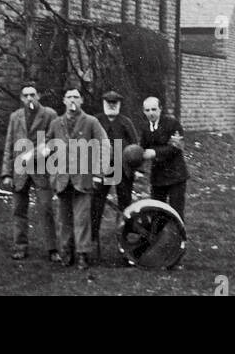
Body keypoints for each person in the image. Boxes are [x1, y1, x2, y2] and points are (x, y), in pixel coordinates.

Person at [46, 88, 108, 270]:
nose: (72, 100)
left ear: (81, 101)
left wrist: (98, 173)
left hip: (83, 179)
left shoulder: (91, 122)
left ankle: (82, 255)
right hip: (62, 179)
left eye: (76, 97)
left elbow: (104, 146)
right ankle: (66, 252)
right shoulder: (56, 123)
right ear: (64, 101)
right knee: (63, 218)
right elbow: (48, 144)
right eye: (69, 97)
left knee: (82, 219)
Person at [0, 85, 60, 261]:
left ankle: (52, 248)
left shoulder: (50, 115)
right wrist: (6, 172)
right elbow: (9, 144)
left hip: (43, 170)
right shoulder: (15, 117)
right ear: (21, 98)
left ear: (39, 95)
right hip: (20, 170)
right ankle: (20, 246)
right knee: (19, 209)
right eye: (25, 95)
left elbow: (54, 142)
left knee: (46, 209)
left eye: (32, 95)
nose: (29, 99)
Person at [90, 90, 138, 260]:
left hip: (122, 167)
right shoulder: (95, 121)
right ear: (103, 103)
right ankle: (93, 242)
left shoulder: (126, 122)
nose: (111, 105)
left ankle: (123, 241)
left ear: (119, 104)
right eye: (108, 102)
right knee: (96, 204)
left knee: (125, 204)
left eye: (115, 103)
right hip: (101, 167)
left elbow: (135, 147)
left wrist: (134, 166)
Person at [139, 96, 190, 223]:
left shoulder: (172, 123)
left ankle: (179, 240)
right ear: (144, 111)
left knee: (176, 210)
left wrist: (155, 152)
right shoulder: (145, 128)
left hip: (176, 176)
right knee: (157, 210)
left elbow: (176, 147)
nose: (151, 113)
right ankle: (159, 238)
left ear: (160, 109)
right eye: (147, 110)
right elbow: (142, 148)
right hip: (158, 177)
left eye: (154, 109)